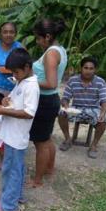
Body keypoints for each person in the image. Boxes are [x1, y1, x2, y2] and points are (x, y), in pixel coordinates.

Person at [0, 48, 40, 211]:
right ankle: (16, 196)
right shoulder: (22, 81)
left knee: (11, 170)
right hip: (12, 135)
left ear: (26, 67)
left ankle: (9, 206)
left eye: (16, 72)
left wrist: (2, 111)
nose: (14, 75)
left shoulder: (31, 86)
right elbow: (14, 100)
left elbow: (28, 113)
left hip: (17, 137)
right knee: (16, 169)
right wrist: (5, 101)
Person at [29, 18, 68, 188]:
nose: (37, 42)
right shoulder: (60, 49)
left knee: (41, 143)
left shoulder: (51, 53)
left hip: (45, 100)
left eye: (38, 38)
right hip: (50, 100)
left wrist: (27, 81)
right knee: (47, 138)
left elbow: (51, 83)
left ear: (47, 36)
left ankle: (37, 180)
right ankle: (49, 168)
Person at [58, 57, 106, 159]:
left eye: (91, 68)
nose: (88, 71)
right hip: (76, 108)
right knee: (61, 113)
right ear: (81, 68)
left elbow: (104, 101)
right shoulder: (73, 80)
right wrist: (66, 106)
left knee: (103, 121)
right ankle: (68, 139)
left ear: (95, 70)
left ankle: (93, 145)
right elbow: (65, 98)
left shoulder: (100, 82)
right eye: (86, 68)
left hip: (93, 108)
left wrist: (102, 114)